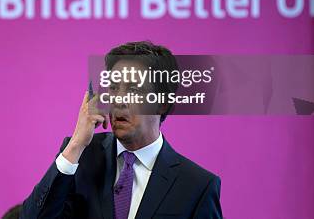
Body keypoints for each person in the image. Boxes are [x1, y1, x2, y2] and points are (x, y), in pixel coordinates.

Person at [21, 41, 222, 219]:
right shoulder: (80, 158)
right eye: (114, 88)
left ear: (162, 104)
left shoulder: (197, 186)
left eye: (133, 90)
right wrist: (75, 145)